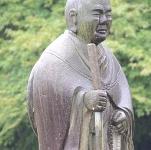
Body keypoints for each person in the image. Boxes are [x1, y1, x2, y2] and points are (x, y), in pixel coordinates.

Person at [27, 0, 134, 149]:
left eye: (108, 14)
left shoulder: (107, 55)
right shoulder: (54, 58)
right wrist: (83, 100)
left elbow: (121, 93)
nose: (104, 20)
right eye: (97, 14)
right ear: (73, 18)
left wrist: (122, 114)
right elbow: (46, 99)